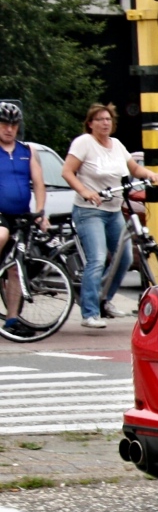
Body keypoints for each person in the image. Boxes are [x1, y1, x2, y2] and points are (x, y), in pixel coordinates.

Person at [62, 103, 158, 328]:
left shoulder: (116, 145)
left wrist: (151, 174)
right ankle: (89, 312)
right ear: (90, 124)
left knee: (125, 257)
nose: (105, 123)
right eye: (99, 120)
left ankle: (103, 299)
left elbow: (134, 169)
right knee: (97, 258)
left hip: (113, 210)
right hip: (89, 211)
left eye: (107, 119)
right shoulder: (83, 143)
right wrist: (86, 192)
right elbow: (67, 171)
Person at [0, 102, 50, 337]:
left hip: (22, 216)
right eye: (4, 124)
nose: (9, 129)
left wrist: (40, 212)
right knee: (2, 235)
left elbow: (39, 183)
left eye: (13, 124)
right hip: (1, 215)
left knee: (15, 269)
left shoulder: (27, 151)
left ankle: (12, 321)